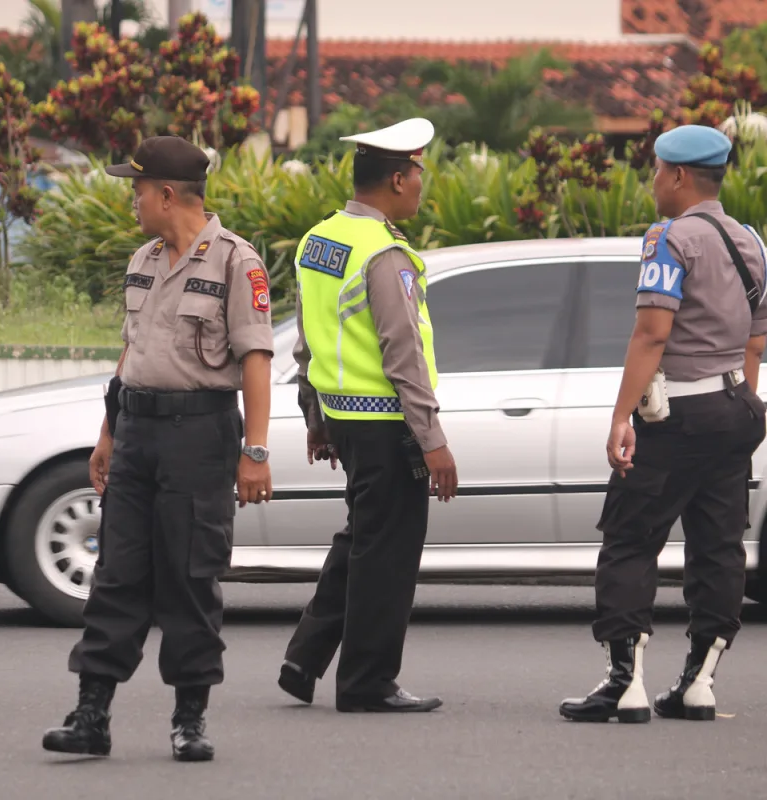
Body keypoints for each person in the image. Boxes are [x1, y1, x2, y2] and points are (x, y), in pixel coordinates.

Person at [42, 136, 274, 761]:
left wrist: (255, 450)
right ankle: (92, 716)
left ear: (167, 194)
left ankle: (189, 720)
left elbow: (256, 360)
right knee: (116, 575)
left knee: (191, 577)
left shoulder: (236, 263)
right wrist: (109, 433)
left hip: (199, 435)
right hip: (138, 432)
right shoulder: (143, 258)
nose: (134, 203)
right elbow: (132, 353)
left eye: (138, 191)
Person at [560, 124, 767, 724]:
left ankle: (624, 683)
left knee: (630, 539)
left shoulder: (669, 239)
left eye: (656, 171)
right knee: (718, 545)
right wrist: (738, 404)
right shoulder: (749, 239)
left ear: (678, 176)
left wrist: (622, 415)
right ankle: (699, 682)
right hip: (735, 408)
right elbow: (755, 342)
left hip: (676, 414)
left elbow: (652, 332)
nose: (653, 182)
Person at [276, 118, 458, 713]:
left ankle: (305, 658)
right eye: (419, 174)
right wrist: (433, 442)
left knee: (363, 538)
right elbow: (403, 354)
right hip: (386, 425)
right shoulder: (385, 254)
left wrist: (316, 417)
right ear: (399, 178)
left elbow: (308, 340)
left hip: (345, 418)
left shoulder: (319, 240)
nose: (421, 186)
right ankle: (367, 682)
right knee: (388, 554)